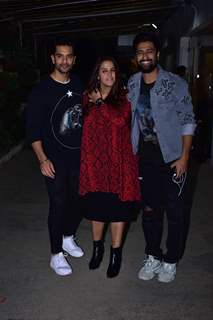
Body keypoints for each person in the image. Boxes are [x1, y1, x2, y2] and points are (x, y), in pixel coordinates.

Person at [128, 31, 196, 283]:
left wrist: (185, 157)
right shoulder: (133, 83)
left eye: (149, 51)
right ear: (136, 57)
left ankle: (171, 260)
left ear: (157, 54)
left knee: (175, 213)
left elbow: (188, 120)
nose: (145, 56)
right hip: (144, 160)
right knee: (149, 211)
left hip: (173, 159)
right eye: (140, 52)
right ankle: (153, 255)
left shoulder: (175, 83)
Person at [26, 38, 84, 276]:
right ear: (53, 58)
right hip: (54, 159)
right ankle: (56, 253)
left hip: (79, 157)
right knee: (58, 204)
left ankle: (68, 236)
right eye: (60, 56)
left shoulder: (79, 84)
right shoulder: (41, 90)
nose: (64, 60)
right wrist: (42, 159)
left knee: (79, 202)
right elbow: (32, 129)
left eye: (68, 56)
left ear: (74, 59)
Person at [79, 56, 141, 278]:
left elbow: (119, 121)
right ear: (97, 74)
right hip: (95, 168)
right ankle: (98, 249)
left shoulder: (124, 99)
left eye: (112, 70)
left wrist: (100, 103)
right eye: (104, 71)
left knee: (117, 212)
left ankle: (116, 255)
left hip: (118, 167)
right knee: (97, 211)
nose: (109, 75)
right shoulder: (86, 98)